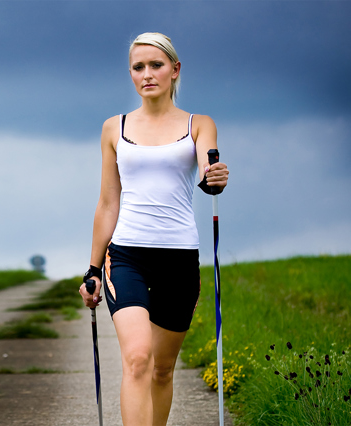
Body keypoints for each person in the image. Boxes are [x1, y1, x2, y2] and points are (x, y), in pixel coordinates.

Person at [78, 32, 229, 426]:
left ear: (174, 70)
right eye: (138, 67)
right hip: (127, 256)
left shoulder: (199, 124)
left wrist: (215, 177)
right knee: (138, 357)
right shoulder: (115, 128)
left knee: (162, 369)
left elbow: (208, 171)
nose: (147, 74)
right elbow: (108, 202)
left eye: (156, 65)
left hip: (178, 259)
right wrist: (94, 269)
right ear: (131, 74)